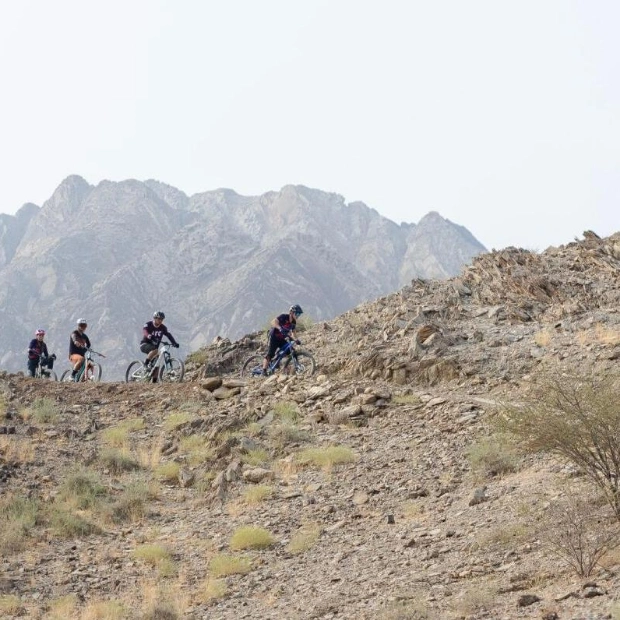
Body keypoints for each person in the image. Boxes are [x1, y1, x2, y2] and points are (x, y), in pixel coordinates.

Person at [262, 304, 303, 375]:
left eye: (299, 314)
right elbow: (273, 322)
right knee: (270, 354)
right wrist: (280, 328)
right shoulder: (284, 317)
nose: (298, 315)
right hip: (274, 337)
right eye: (297, 313)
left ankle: (295, 365)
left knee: (291, 351)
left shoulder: (293, 323)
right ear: (291, 312)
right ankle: (264, 371)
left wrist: (296, 340)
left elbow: (293, 333)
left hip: (282, 338)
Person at [140, 311, 179, 382]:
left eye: (162, 319)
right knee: (155, 350)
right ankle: (145, 364)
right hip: (144, 344)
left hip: (154, 349)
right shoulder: (148, 324)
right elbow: (145, 331)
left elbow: (168, 335)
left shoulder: (163, 328)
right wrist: (149, 336)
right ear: (155, 318)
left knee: (157, 363)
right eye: (159, 319)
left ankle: (154, 380)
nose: (160, 320)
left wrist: (174, 343)